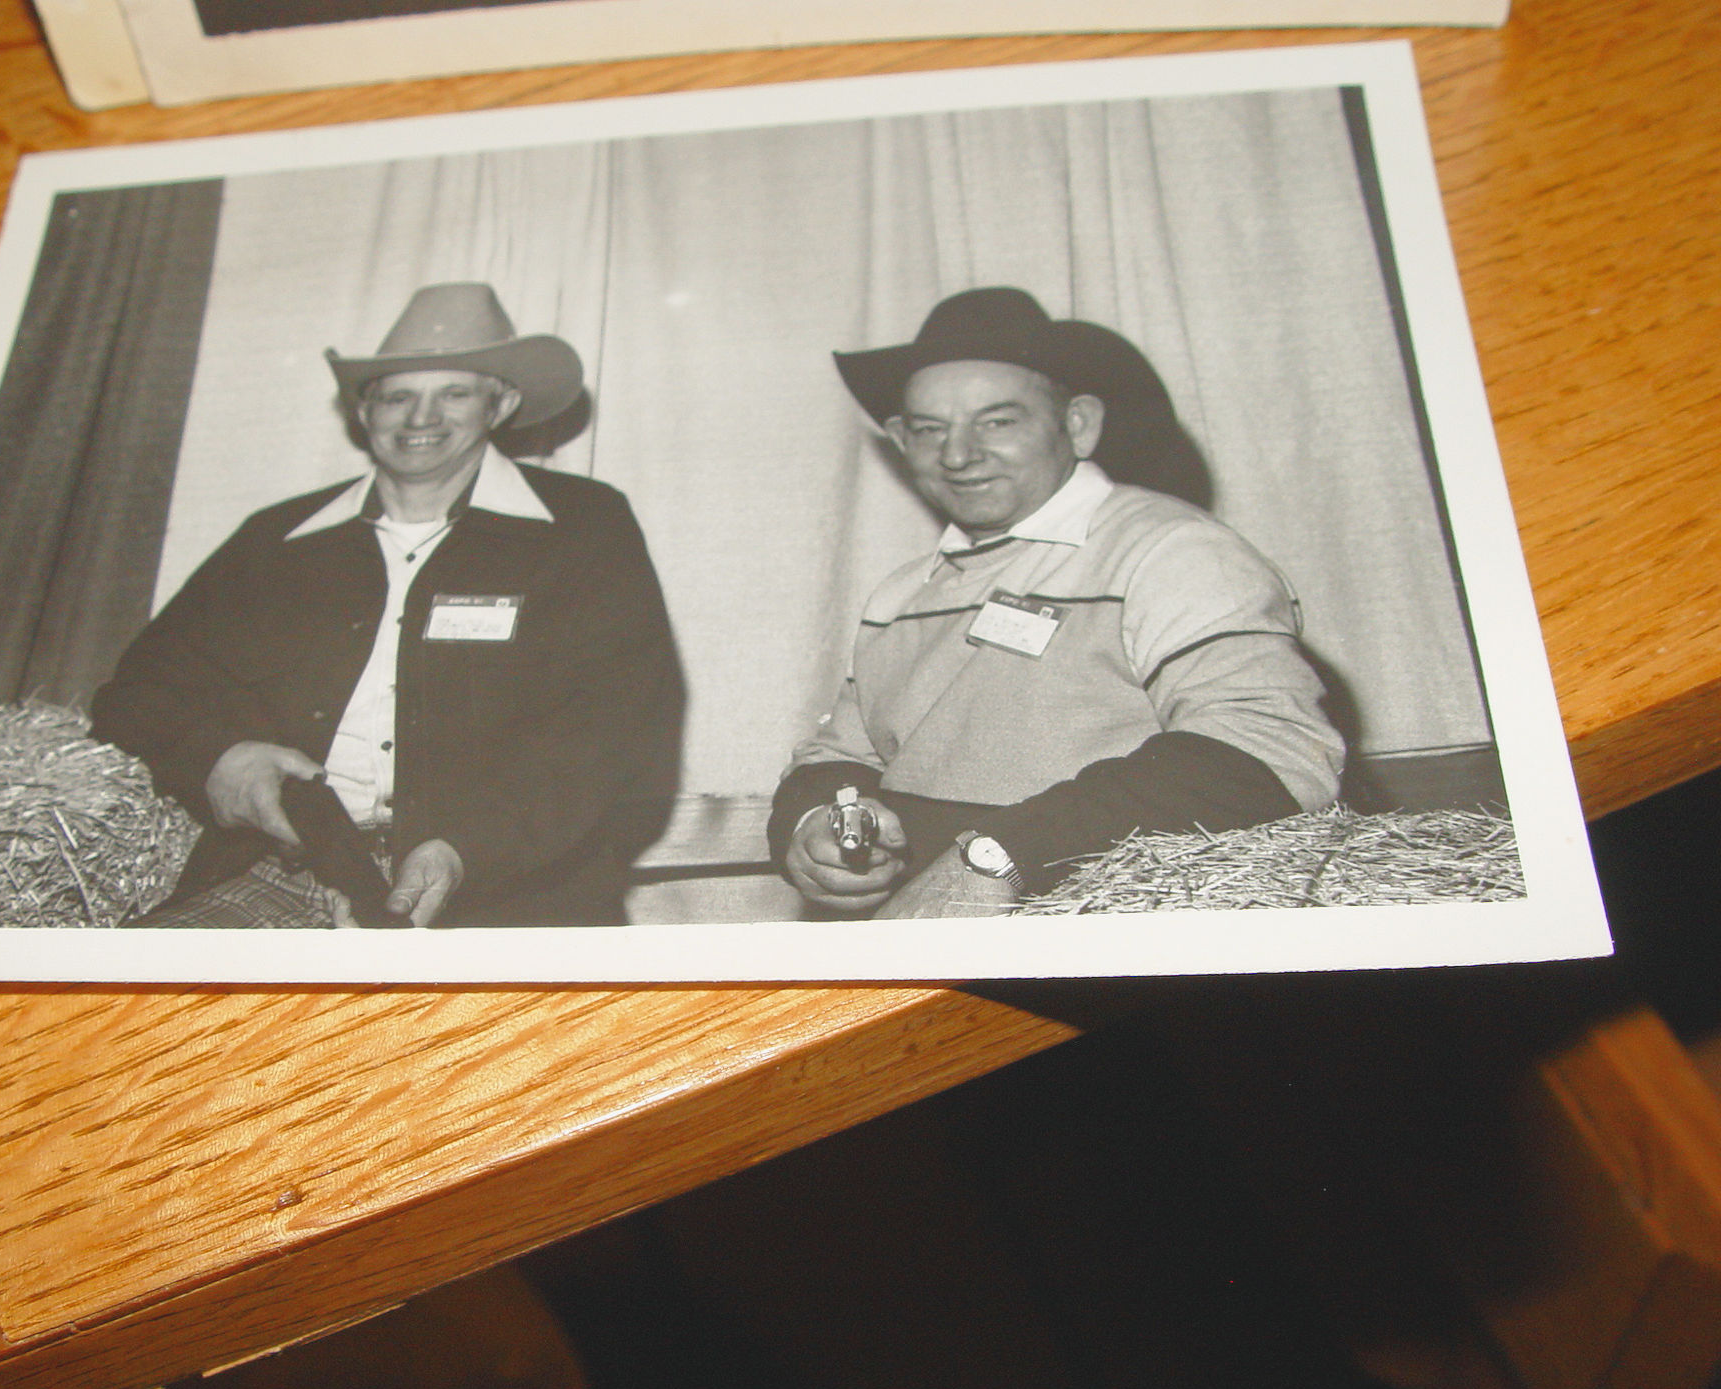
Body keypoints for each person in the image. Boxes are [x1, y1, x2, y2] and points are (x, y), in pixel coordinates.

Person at [93, 283, 683, 928]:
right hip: (287, 872)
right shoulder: (277, 540)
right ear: (363, 410)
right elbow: (138, 692)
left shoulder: (583, 526)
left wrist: (467, 851)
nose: (420, 418)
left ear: (502, 404)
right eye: (398, 396)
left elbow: (619, 728)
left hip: (508, 890)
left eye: (454, 394)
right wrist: (218, 759)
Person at [769, 287, 1344, 920]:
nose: (957, 455)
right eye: (930, 429)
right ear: (902, 438)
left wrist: (1002, 858)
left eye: (998, 421)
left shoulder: (1171, 551)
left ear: (1078, 425)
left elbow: (1273, 749)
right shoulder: (903, 593)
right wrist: (813, 824)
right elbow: (840, 757)